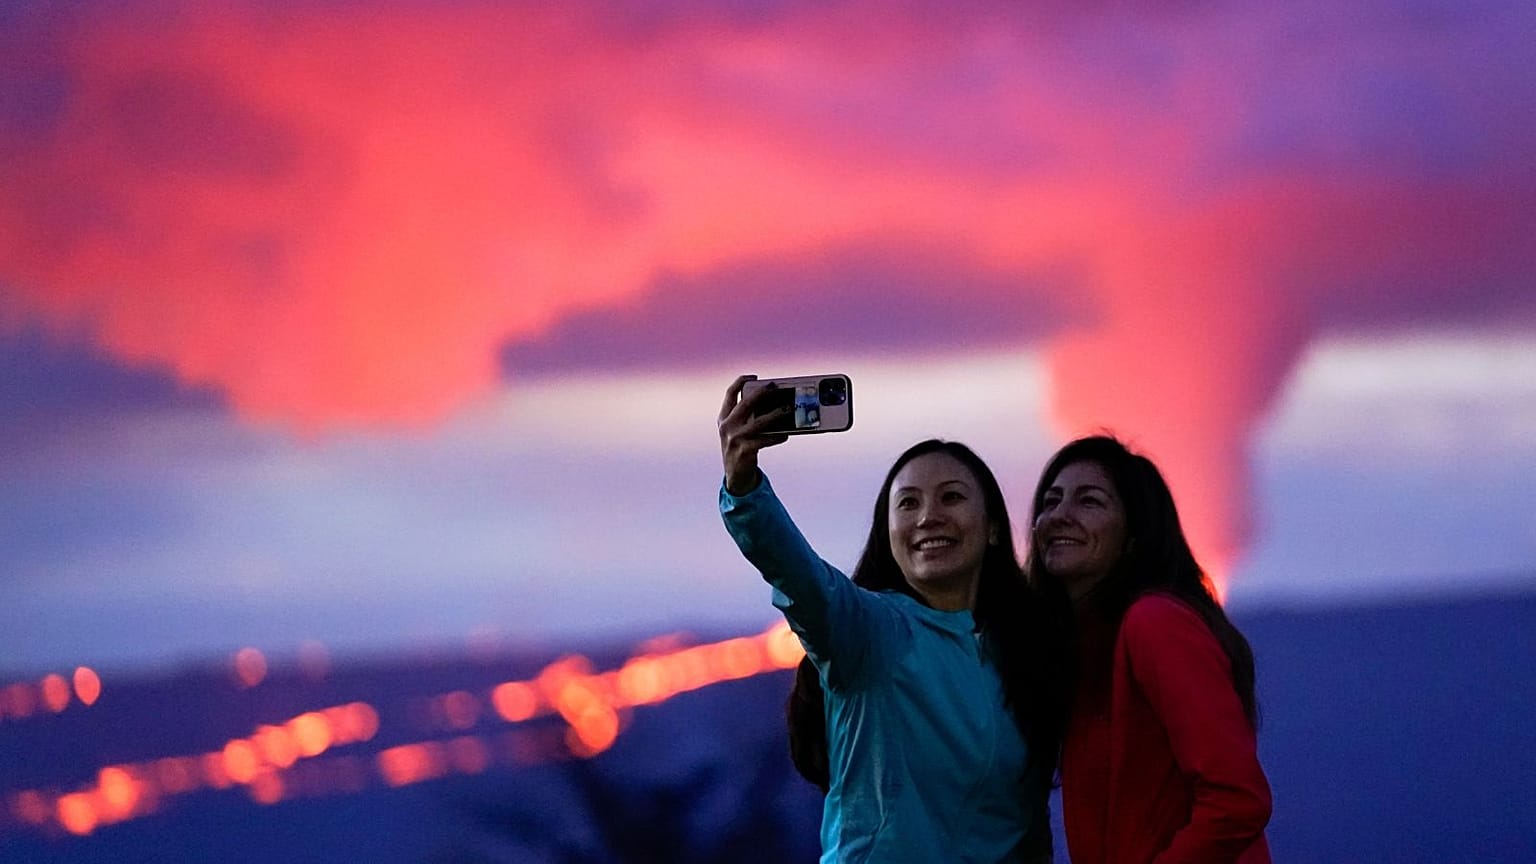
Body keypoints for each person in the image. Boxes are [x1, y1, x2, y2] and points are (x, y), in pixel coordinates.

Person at [716, 376, 1066, 863]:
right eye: (908, 503)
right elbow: (799, 577)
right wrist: (745, 487)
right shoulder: (869, 633)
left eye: (951, 497)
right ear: (889, 532)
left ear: (991, 529)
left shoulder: (1027, 660)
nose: (928, 517)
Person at [1026, 434, 1272, 863]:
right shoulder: (1080, 655)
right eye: (1051, 501)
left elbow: (1237, 799)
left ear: (1134, 535)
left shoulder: (1155, 623)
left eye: (1090, 501)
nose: (1060, 516)